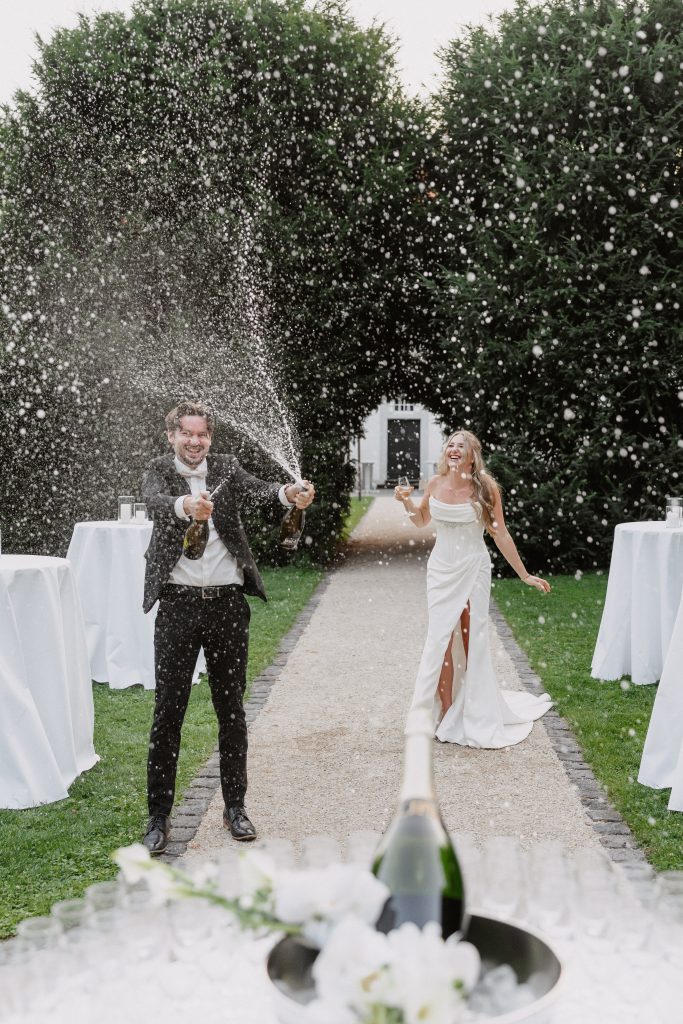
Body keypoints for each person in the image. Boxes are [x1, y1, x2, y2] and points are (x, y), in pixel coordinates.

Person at [141, 399, 314, 854]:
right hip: (177, 607)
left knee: (231, 711)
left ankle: (235, 807)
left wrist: (289, 494)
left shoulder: (226, 467)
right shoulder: (159, 469)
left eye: (202, 434)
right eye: (186, 433)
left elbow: (262, 490)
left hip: (226, 608)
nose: (194, 441)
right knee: (168, 712)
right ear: (172, 436)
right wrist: (185, 506)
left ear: (210, 438)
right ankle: (158, 817)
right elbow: (155, 502)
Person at [396, 429, 551, 747]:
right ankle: (445, 714)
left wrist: (523, 575)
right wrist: (405, 502)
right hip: (440, 570)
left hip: (473, 568)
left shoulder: (486, 487)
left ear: (472, 454)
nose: (453, 449)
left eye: (460, 446)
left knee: (470, 640)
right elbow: (421, 520)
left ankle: (474, 708)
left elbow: (500, 533)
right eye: (450, 445)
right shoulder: (435, 483)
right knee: (439, 639)